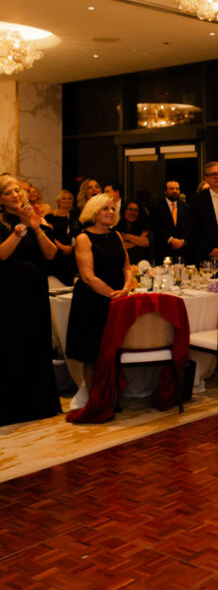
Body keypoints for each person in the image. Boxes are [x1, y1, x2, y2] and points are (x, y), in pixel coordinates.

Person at [0, 173, 62, 425]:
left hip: (35, 293)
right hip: (8, 294)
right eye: (8, 192)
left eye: (17, 190)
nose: (15, 195)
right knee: (12, 347)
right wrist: (18, 231)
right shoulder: (2, 222)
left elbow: (51, 253)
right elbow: (2, 255)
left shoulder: (37, 218)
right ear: (1, 199)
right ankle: (13, 408)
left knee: (36, 344)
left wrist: (35, 228)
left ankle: (40, 404)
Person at [65, 193, 132, 397]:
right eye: (106, 209)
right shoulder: (84, 237)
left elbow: (128, 268)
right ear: (94, 212)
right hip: (92, 301)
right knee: (92, 353)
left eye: (113, 209)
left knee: (113, 350)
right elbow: (87, 277)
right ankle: (95, 398)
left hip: (116, 299)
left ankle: (112, 395)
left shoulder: (117, 236)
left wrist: (127, 289)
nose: (111, 212)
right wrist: (114, 294)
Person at [149, 180, 190, 264]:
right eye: (171, 189)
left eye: (177, 189)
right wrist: (171, 240)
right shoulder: (156, 207)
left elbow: (190, 226)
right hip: (163, 250)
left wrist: (182, 241)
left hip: (183, 251)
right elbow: (155, 226)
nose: (175, 191)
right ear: (165, 191)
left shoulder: (186, 207)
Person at [45, 189, 78, 285]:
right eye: (64, 198)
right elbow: (48, 236)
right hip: (56, 253)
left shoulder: (76, 218)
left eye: (69, 199)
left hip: (72, 256)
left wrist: (71, 248)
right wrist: (63, 247)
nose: (67, 201)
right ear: (58, 201)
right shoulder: (50, 217)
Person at [119, 200, 151, 266]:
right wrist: (138, 240)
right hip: (122, 265)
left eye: (136, 210)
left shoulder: (144, 226)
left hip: (141, 265)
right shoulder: (118, 227)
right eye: (130, 209)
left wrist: (128, 236)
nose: (133, 212)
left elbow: (146, 242)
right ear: (124, 210)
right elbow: (119, 247)